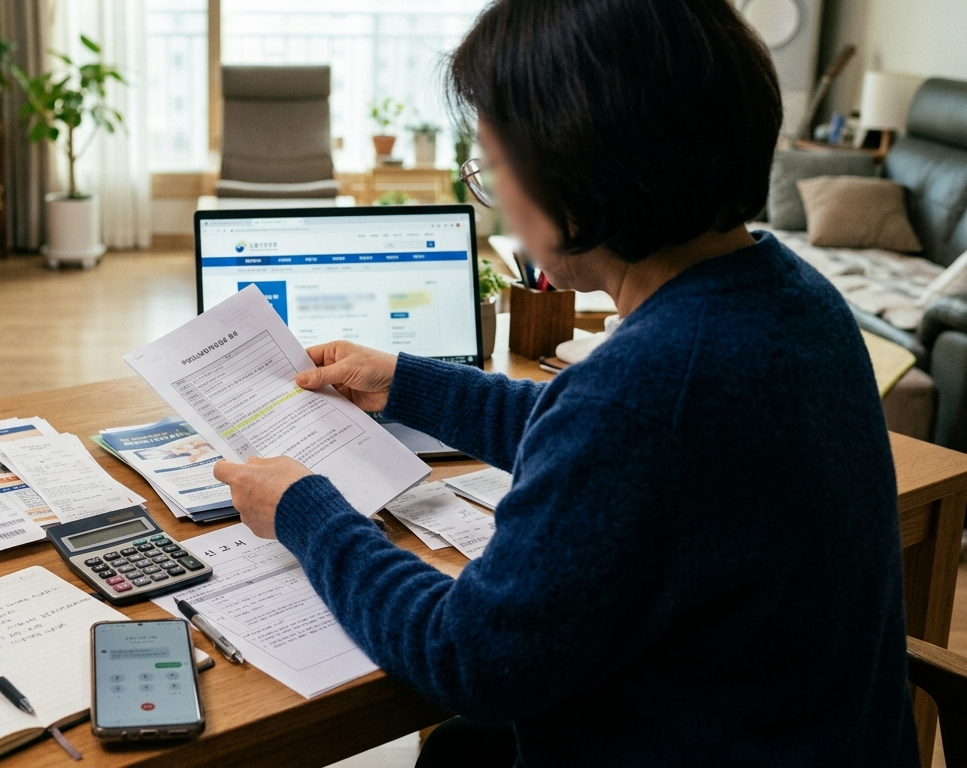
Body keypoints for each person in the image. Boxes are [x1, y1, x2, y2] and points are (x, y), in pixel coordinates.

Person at [211, 0, 919, 765]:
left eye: (491, 167)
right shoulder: (796, 300)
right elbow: (609, 438)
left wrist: (306, 514)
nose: (498, 201)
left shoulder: (646, 391)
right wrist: (407, 382)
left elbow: (467, 659)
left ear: (577, 168)